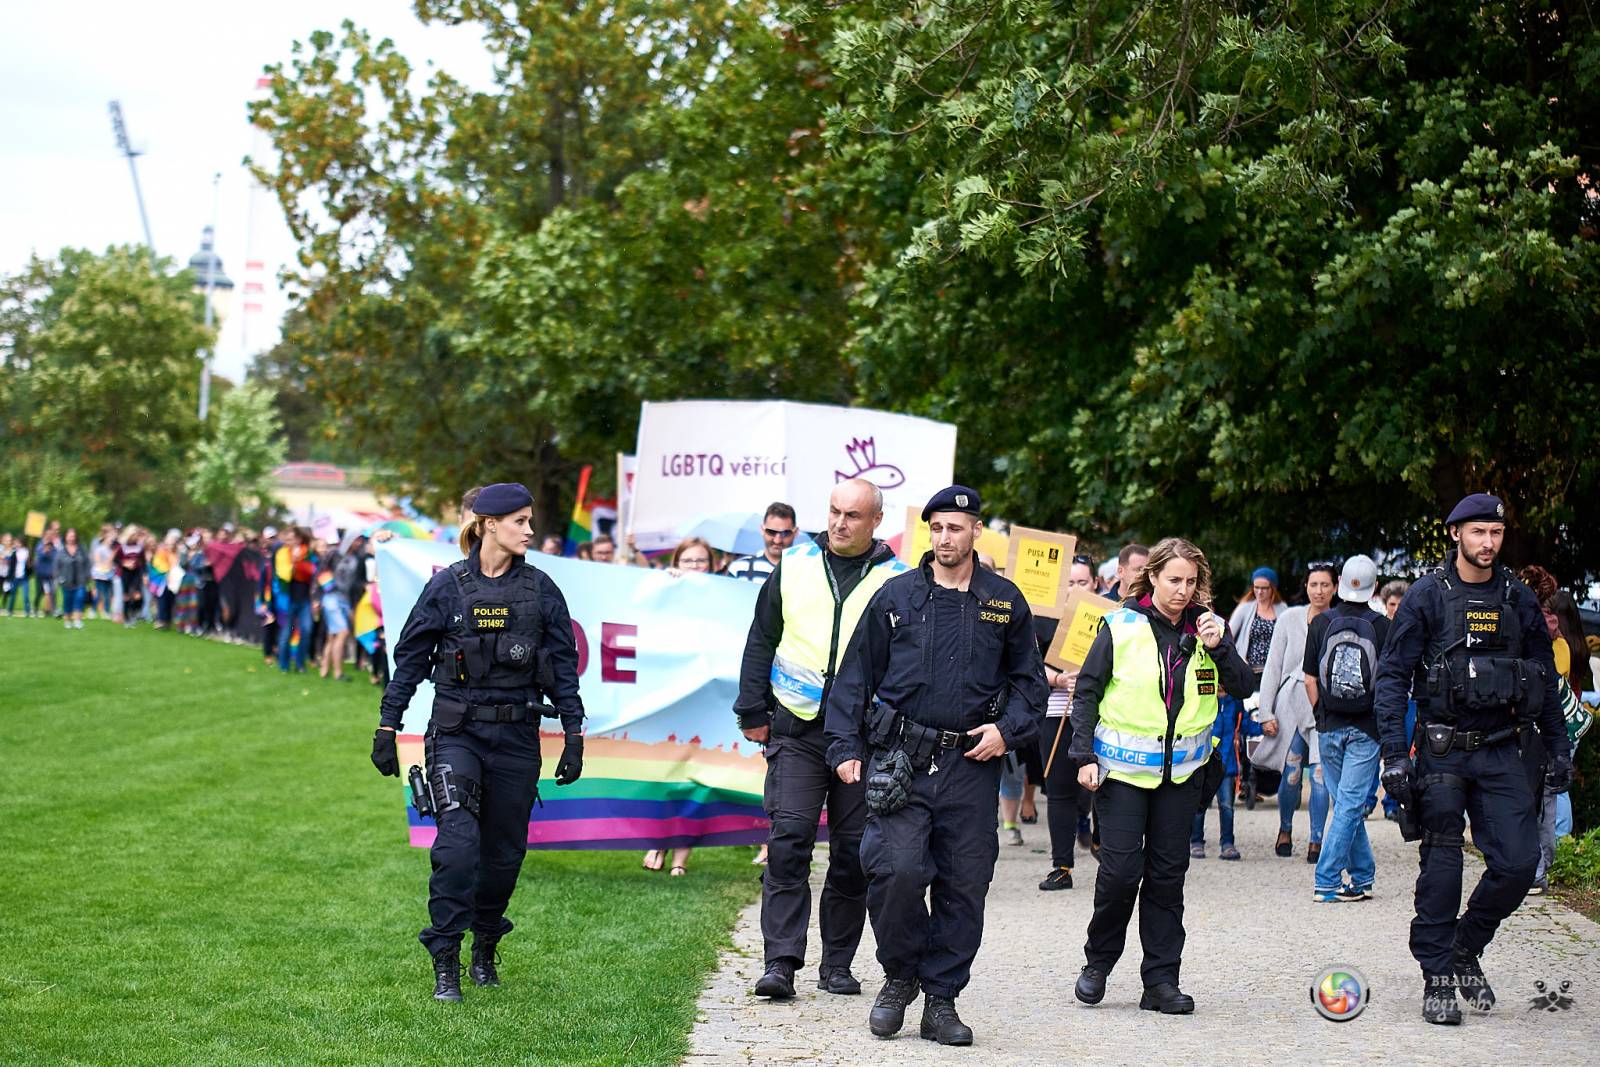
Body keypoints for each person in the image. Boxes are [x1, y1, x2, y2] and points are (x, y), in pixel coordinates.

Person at [825, 485, 1046, 1045]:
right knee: (895, 871)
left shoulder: (1004, 600)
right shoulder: (896, 597)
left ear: (975, 532)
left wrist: (1007, 730)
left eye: (956, 527)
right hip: (900, 761)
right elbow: (855, 678)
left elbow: (1029, 686)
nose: (946, 537)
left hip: (970, 766)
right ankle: (899, 978)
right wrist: (845, 749)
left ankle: (941, 999)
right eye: (937, 528)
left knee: (964, 884)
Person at [369, 482, 586, 1001]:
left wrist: (575, 733)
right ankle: (445, 955)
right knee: (458, 846)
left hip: (516, 737)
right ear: (489, 524)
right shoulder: (447, 588)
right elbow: (411, 662)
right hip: (456, 734)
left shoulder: (542, 590)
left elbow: (562, 671)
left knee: (504, 853)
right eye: (520, 522)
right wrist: (387, 725)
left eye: (530, 521)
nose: (530, 531)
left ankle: (485, 941)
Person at [1375, 494, 1571, 1025]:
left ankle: (1465, 946)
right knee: (1442, 865)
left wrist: (1558, 747)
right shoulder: (1427, 597)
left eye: (1496, 533)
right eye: (1478, 532)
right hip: (1443, 752)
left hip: (1505, 748)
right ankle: (1438, 977)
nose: (1488, 543)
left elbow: (1545, 681)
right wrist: (1395, 754)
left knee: (1517, 864)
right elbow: (1392, 677)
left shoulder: (1519, 599)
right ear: (1456, 534)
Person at [733, 479, 907, 1001]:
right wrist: (751, 709)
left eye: (852, 515)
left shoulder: (897, 581)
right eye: (833, 511)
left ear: (876, 520)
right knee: (788, 840)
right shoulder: (795, 564)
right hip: (797, 727)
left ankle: (837, 964)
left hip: (862, 737)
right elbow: (761, 637)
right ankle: (781, 963)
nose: (839, 523)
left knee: (853, 852)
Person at [1069, 537, 1254, 1015]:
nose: (1183, 590)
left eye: (1191, 582)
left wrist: (1220, 649)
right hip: (1124, 775)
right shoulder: (1120, 625)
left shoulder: (1209, 629)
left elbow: (1242, 687)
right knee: (1120, 873)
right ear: (1152, 576)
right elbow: (1087, 691)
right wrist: (1082, 753)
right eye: (1174, 580)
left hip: (1183, 778)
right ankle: (1098, 964)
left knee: (1168, 879)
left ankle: (1161, 982)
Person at [1303, 555, 1390, 902]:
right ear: (1376, 587)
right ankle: (1326, 881)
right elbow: (1389, 682)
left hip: (1329, 725)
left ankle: (1362, 876)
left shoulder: (1321, 623)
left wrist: (1320, 715)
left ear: (1339, 582)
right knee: (1350, 805)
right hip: (1366, 728)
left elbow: (1310, 678)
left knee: (1346, 804)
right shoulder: (1384, 627)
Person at [643, 537, 721, 876]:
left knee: (696, 777)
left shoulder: (723, 597)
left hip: (705, 701)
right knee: (666, 773)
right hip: (671, 699)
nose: (694, 567)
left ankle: (681, 859)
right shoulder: (665, 594)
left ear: (712, 565)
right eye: (687, 561)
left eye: (701, 561)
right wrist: (665, 588)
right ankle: (657, 841)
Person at [1255, 564, 1333, 860]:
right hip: (1288, 702)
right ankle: (1285, 829)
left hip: (1322, 707)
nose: (1319, 590)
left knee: (1320, 775)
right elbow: (1273, 665)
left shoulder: (1337, 620)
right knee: (1291, 771)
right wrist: (1265, 711)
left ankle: (1316, 839)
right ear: (1307, 586)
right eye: (1314, 584)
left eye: (1325, 585)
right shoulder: (1289, 618)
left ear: (1334, 588)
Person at [1038, 555, 1099, 890]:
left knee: (1100, 785)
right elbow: (1030, 665)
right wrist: (1060, 680)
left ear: (1095, 585)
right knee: (1059, 791)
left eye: (1082, 582)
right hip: (1056, 714)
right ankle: (1061, 866)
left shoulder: (1109, 621)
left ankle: (1101, 839)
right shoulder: (1043, 622)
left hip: (1098, 716)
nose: (1076, 589)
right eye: (1070, 583)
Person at [726, 502, 797, 583]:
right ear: (762, 530)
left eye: (785, 533)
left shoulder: (805, 572)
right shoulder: (738, 568)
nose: (777, 540)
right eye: (771, 532)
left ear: (796, 532)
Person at [56, 528, 90, 629]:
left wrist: (87, 574)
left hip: (80, 580)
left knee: (79, 599)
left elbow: (87, 562)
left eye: (73, 536)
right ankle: (67, 621)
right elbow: (57, 565)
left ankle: (78, 620)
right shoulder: (61, 550)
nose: (71, 538)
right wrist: (58, 578)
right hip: (66, 580)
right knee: (68, 601)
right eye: (70, 536)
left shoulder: (81, 549)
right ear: (66, 537)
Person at [90, 525, 117, 620]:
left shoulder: (112, 550)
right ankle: (93, 610)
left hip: (109, 574)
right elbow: (97, 561)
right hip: (100, 574)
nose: (112, 540)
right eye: (110, 537)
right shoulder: (100, 548)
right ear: (106, 537)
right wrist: (106, 565)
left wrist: (110, 564)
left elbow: (113, 562)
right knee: (99, 593)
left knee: (108, 593)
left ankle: (106, 611)